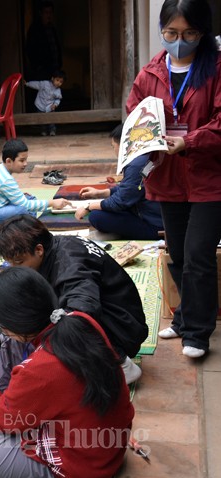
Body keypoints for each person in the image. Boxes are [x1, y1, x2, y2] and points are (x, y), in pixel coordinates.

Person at [0, 267, 134, 478]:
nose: (2, 328)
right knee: (7, 341)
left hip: (82, 465)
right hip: (108, 444)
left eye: (2, 322)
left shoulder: (40, 369)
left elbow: (5, 418)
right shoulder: (79, 320)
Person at [126, 0, 221, 358]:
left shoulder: (216, 69)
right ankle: (184, 317)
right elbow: (134, 114)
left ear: (202, 33)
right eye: (171, 33)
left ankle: (197, 332)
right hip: (168, 175)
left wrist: (190, 140)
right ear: (162, 31)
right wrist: (143, 137)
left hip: (209, 176)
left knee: (199, 254)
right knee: (179, 253)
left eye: (189, 33)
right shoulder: (150, 73)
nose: (179, 41)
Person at [0, 214, 147, 385]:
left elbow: (84, 308)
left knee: (67, 322)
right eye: (10, 263)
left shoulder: (70, 264)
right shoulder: (56, 246)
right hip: (118, 316)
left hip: (122, 328)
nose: (15, 268)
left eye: (19, 262)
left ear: (39, 250)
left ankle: (121, 364)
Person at [74, 124, 163, 240]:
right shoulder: (147, 158)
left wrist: (88, 207)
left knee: (97, 216)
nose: (114, 150)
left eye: (113, 146)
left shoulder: (137, 165)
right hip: (156, 215)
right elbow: (132, 189)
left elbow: (120, 202)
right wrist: (99, 193)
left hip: (155, 225)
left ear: (123, 145)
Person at [0, 139, 70, 230]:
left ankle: (26, 221)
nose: (25, 163)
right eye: (21, 160)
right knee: (23, 209)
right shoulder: (5, 178)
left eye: (26, 159)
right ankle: (27, 221)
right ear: (9, 161)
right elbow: (24, 205)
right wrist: (52, 203)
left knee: (30, 199)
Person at [24, 70, 65, 136]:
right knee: (42, 119)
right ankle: (43, 131)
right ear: (52, 78)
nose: (58, 83)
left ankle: (52, 130)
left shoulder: (58, 90)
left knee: (51, 119)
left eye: (61, 82)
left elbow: (58, 99)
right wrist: (27, 84)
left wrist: (55, 104)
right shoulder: (45, 84)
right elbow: (36, 84)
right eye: (57, 80)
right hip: (40, 104)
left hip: (50, 106)